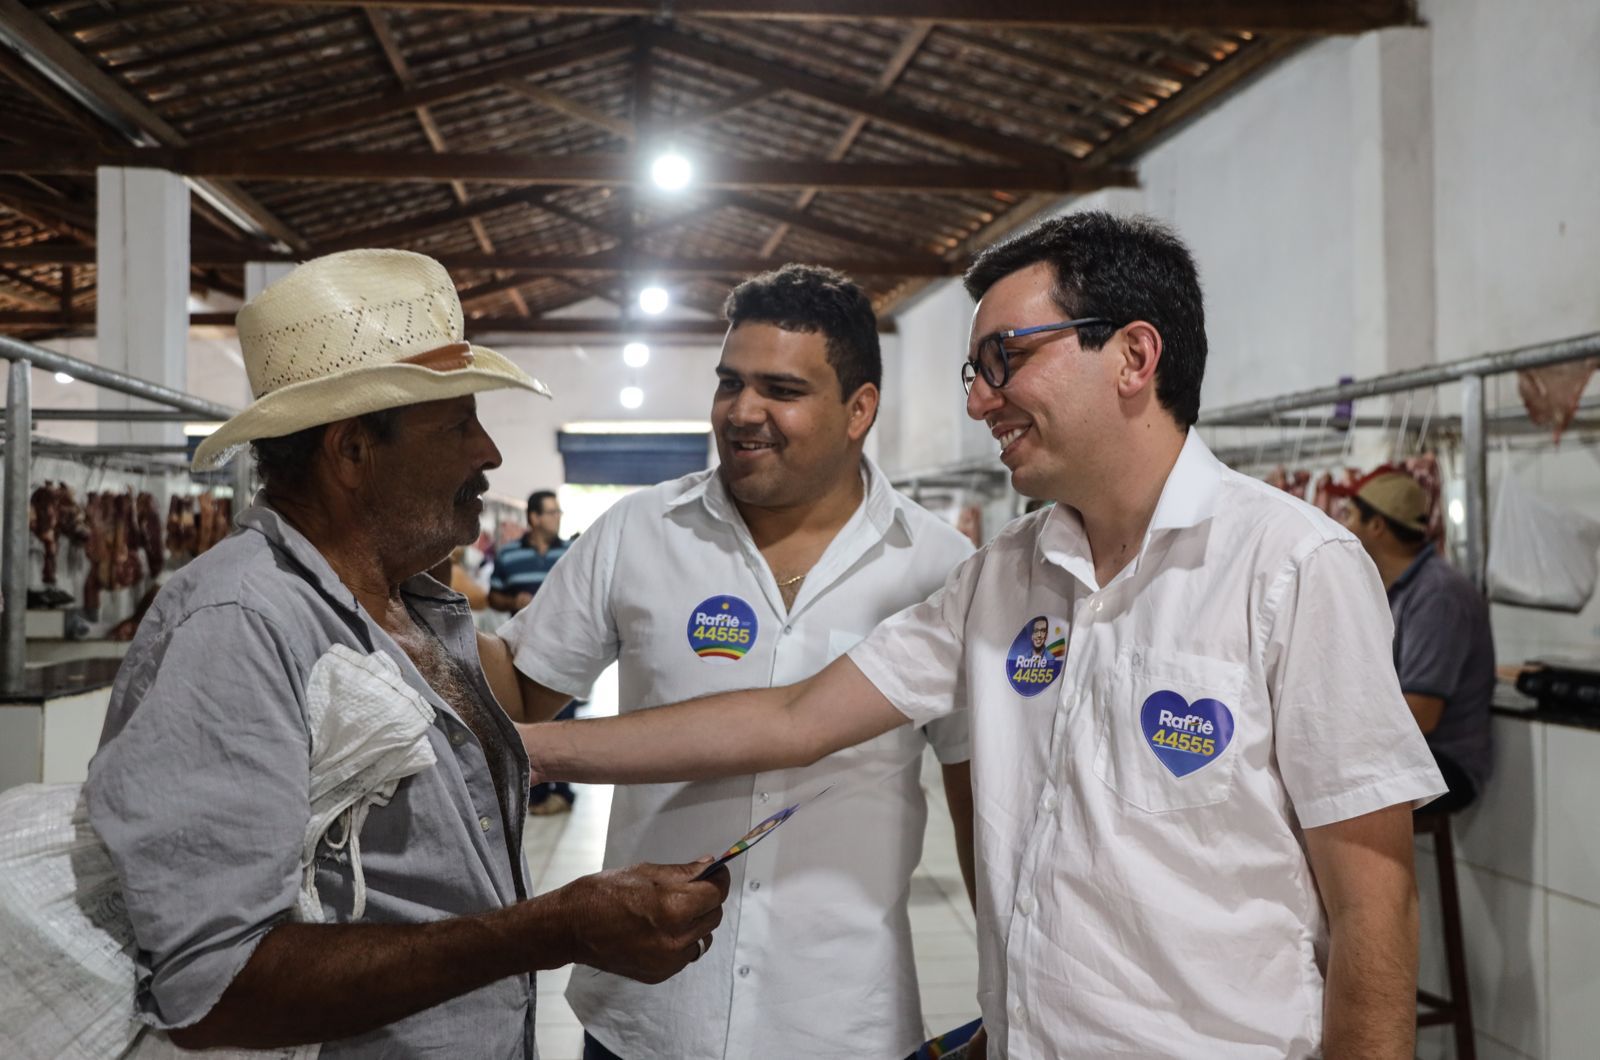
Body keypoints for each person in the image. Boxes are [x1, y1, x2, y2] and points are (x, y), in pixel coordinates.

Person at [515, 213, 1447, 1059]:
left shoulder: (1291, 567)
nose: (980, 400)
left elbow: (1374, 898)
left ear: (1133, 356)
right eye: (976, 370)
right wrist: (509, 745)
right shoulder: (1005, 576)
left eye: (1005, 358)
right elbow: (796, 716)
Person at [84, 249, 729, 1057]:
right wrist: (550, 929)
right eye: (459, 424)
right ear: (352, 451)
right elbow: (216, 988)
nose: (489, 453)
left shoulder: (409, 609)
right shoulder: (240, 624)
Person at [494, 263, 978, 1060]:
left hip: (838, 1022)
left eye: (780, 390)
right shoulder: (638, 532)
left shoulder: (938, 568)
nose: (742, 412)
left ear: (860, 409)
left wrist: (1005, 996)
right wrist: (395, 611)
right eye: (729, 383)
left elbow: (977, 809)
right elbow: (518, 689)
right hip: (647, 1021)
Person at [1338, 466, 1495, 812]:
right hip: (1408, 753)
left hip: (1443, 763)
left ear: (1376, 526)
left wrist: (1339, 735)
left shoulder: (1438, 594)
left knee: (1320, 794)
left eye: (1349, 517)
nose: (1342, 528)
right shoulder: (1390, 589)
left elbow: (1421, 714)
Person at [488, 489, 568, 614]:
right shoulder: (507, 554)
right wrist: (513, 602)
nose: (558, 517)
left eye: (559, 512)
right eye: (553, 513)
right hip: (521, 633)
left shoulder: (570, 552)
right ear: (534, 517)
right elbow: (493, 598)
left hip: (564, 632)